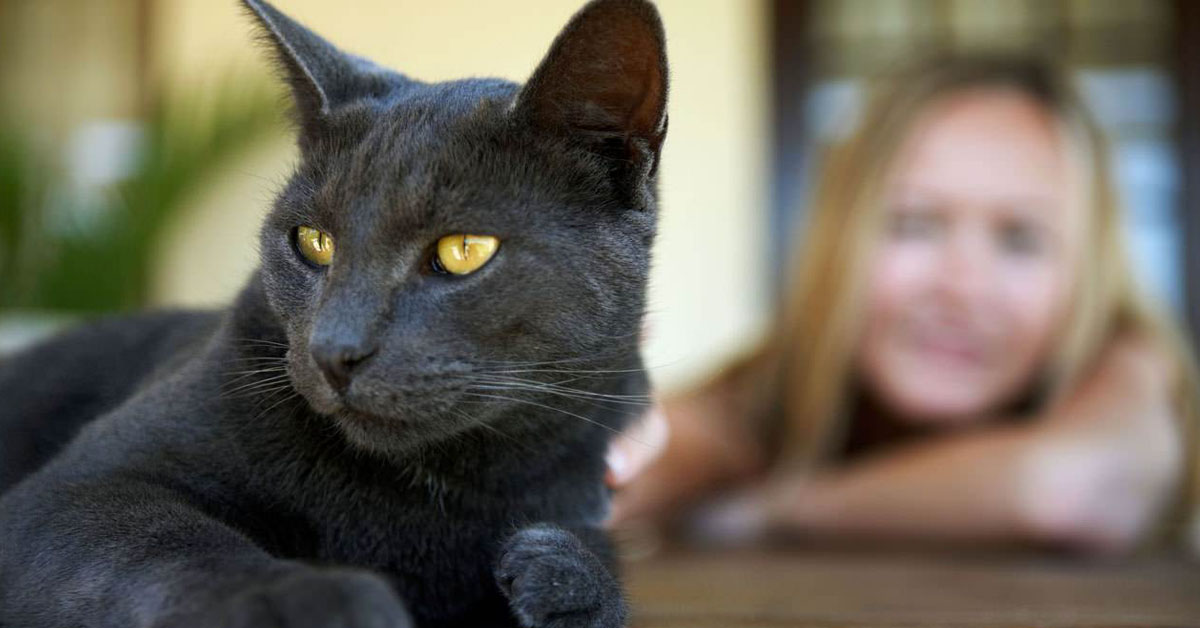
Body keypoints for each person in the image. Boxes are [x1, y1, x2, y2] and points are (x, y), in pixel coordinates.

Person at [606, 54, 1200, 555]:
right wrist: (616, 455)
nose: (963, 286)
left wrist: (771, 512)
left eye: (1020, 238)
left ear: (1086, 273)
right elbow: (659, 448)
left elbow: (1070, 489)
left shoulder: (1126, 358)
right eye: (915, 224)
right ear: (838, 244)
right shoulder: (778, 387)